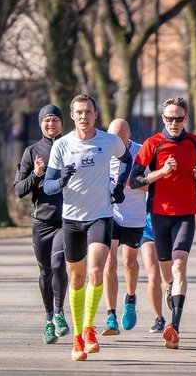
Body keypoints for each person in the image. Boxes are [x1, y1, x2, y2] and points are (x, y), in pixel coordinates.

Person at [43, 94, 131, 362]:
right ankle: (77, 337)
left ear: (96, 115)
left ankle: (88, 329)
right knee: (77, 278)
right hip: (71, 219)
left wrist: (118, 187)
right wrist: (62, 181)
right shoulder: (62, 145)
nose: (84, 117)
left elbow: (127, 160)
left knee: (96, 271)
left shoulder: (109, 141)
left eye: (88, 112)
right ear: (72, 115)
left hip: (101, 216)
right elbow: (48, 186)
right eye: (79, 112)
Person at [130, 97, 196, 350]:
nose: (174, 123)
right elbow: (135, 180)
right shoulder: (153, 144)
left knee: (179, 267)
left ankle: (174, 326)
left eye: (179, 118)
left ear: (186, 118)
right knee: (167, 276)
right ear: (163, 118)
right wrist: (161, 172)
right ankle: (170, 292)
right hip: (159, 215)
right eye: (170, 118)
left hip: (186, 213)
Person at [13, 104, 70, 344]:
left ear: (61, 123)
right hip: (42, 221)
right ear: (40, 124)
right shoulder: (32, 151)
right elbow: (18, 190)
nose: (51, 124)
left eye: (55, 120)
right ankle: (48, 320)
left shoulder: (70, 146)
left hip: (66, 219)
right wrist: (36, 174)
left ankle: (59, 313)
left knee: (58, 264)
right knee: (45, 271)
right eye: (47, 120)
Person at [100, 119, 148, 336]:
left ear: (129, 136)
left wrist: (132, 182)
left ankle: (130, 298)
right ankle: (110, 315)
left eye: (120, 138)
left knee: (129, 262)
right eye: (112, 137)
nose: (116, 142)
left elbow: (151, 183)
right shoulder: (103, 149)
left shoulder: (141, 152)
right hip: (109, 214)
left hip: (134, 216)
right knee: (109, 261)